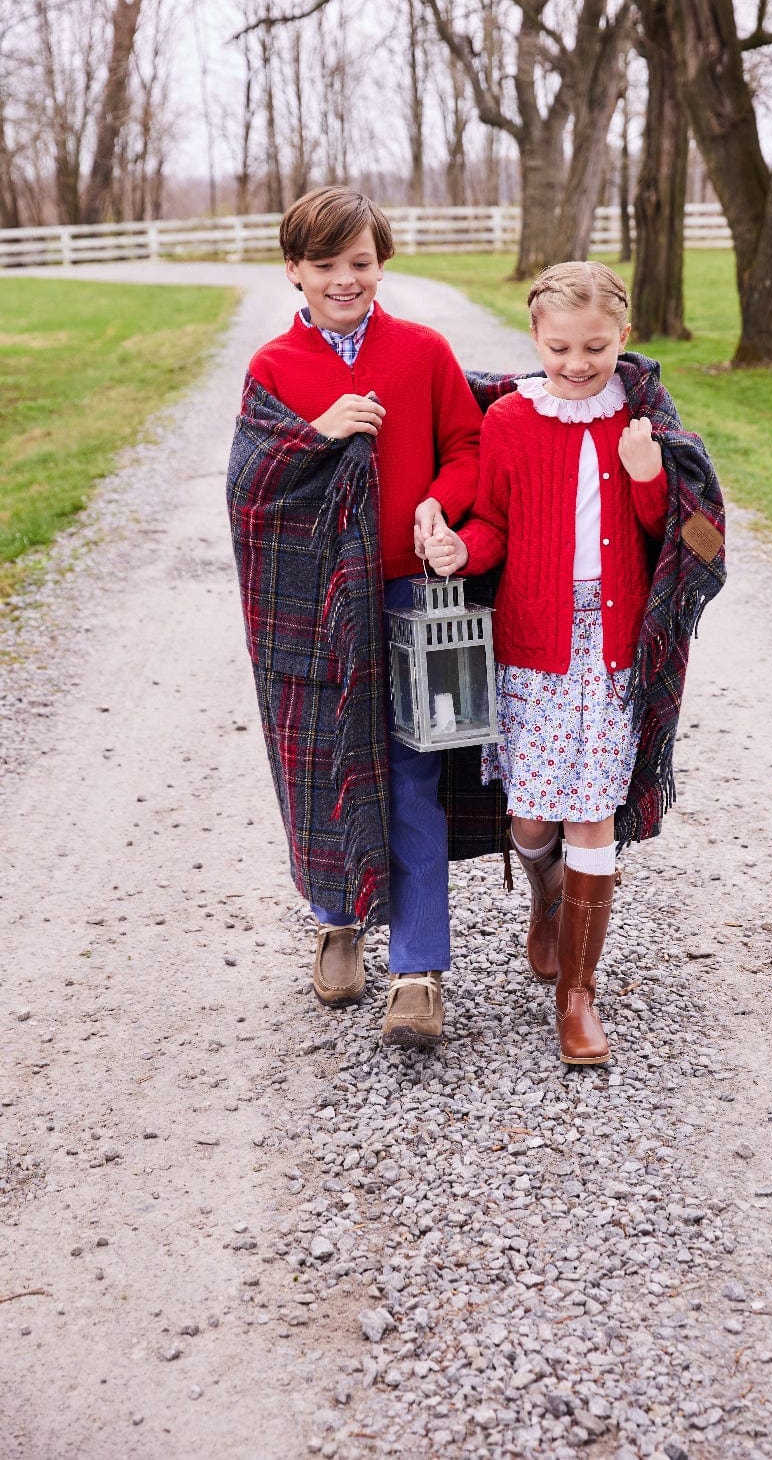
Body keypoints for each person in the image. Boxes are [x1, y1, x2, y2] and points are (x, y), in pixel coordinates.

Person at [426, 262, 725, 1065]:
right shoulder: (512, 424)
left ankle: (579, 998)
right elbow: (493, 520)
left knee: (591, 808)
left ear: (623, 339)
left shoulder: (640, 422)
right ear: (536, 340)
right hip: (533, 645)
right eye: (560, 347)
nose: (576, 363)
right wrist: (461, 550)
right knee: (531, 816)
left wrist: (647, 477)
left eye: (595, 347)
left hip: (612, 647)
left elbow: (670, 541)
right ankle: (548, 897)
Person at [227, 186, 502, 1050]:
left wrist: (436, 504)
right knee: (326, 768)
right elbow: (250, 486)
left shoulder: (421, 351)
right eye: (326, 266)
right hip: (317, 607)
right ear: (294, 272)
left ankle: (418, 971)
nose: (345, 280)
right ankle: (338, 919)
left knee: (416, 775)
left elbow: (468, 445)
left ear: (381, 264)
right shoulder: (272, 368)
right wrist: (318, 432)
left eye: (361, 263)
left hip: (410, 595)